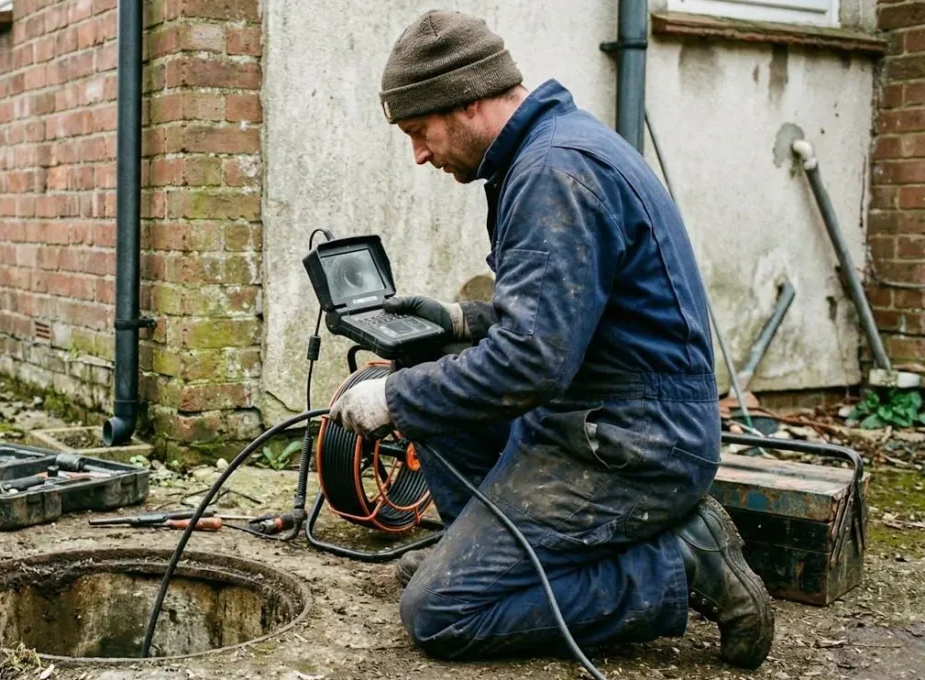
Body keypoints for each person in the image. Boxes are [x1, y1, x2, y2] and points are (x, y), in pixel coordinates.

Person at [327, 9, 774, 669]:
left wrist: (393, 398)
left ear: (469, 102)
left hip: (633, 446)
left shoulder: (553, 174)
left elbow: (530, 362)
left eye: (420, 131)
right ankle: (483, 553)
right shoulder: (548, 151)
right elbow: (561, 323)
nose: (419, 154)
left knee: (443, 614)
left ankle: (678, 565)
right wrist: (455, 322)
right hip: (600, 415)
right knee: (431, 356)